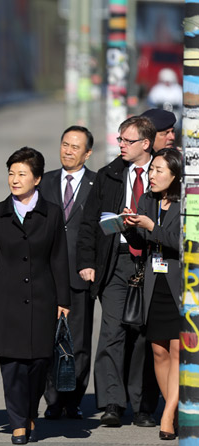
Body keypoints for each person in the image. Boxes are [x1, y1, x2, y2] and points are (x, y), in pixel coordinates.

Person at [0, 147, 70, 445]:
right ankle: (17, 422)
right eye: (11, 174)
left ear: (37, 178)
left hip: (43, 298)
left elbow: (59, 259)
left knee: (39, 364)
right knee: (12, 365)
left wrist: (63, 300)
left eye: (22, 174)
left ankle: (30, 412)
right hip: (5, 300)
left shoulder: (52, 213)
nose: (15, 179)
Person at [77, 116, 160, 427]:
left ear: (146, 144)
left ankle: (142, 405)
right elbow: (89, 223)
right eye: (120, 139)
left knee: (142, 335)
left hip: (152, 262)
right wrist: (86, 262)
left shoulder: (164, 171)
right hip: (116, 260)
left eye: (127, 140)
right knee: (112, 332)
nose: (120, 145)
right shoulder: (109, 174)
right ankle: (112, 401)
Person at [123, 148, 182, 440]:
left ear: (175, 175)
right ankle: (172, 405)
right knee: (158, 351)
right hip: (153, 284)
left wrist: (152, 227)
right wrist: (130, 227)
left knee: (177, 350)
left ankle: (170, 413)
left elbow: (183, 242)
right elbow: (141, 242)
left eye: (159, 170)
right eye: (152, 170)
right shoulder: (147, 200)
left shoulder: (188, 204)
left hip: (179, 285)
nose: (153, 175)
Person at [39, 126, 97, 420]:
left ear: (87, 153)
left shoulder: (97, 184)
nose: (68, 150)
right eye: (65, 144)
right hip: (45, 275)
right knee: (48, 339)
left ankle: (73, 399)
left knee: (78, 341)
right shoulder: (45, 182)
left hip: (79, 273)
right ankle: (52, 399)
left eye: (76, 147)